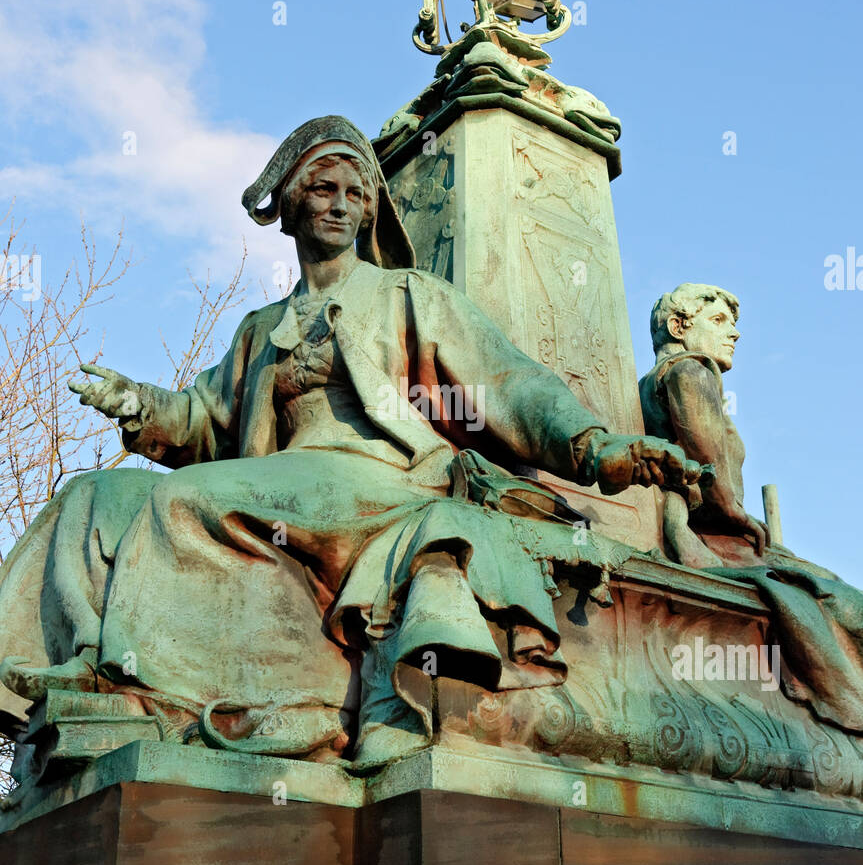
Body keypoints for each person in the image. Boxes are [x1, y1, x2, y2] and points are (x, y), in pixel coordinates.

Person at [0, 118, 702, 765]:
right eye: (321, 190)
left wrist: (596, 448)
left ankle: (153, 697)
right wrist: (134, 402)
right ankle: (80, 668)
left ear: (369, 210)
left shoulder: (405, 292)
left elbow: (507, 385)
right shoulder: (259, 327)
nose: (338, 204)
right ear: (293, 208)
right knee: (95, 494)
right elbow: (204, 421)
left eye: (353, 193)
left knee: (185, 501)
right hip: (283, 477)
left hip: (379, 476)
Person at [640, 281, 863, 732]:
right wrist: (743, 519)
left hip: (710, 529)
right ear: (679, 326)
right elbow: (708, 469)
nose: (734, 333)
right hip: (715, 536)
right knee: (838, 599)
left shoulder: (651, 381)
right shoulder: (691, 371)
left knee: (828, 586)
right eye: (719, 321)